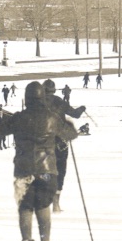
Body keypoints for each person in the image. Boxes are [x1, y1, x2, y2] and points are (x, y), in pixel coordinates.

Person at [0, 81, 79, 241]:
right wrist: (67, 123)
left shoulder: (19, 118)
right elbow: (71, 134)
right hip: (47, 172)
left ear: (27, 99)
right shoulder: (52, 118)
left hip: (24, 171)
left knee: (26, 207)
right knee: (43, 206)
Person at [42, 80, 85, 213]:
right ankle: (56, 204)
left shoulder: (36, 102)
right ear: (54, 90)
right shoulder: (59, 101)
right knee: (60, 172)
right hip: (60, 143)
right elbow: (75, 114)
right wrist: (82, 108)